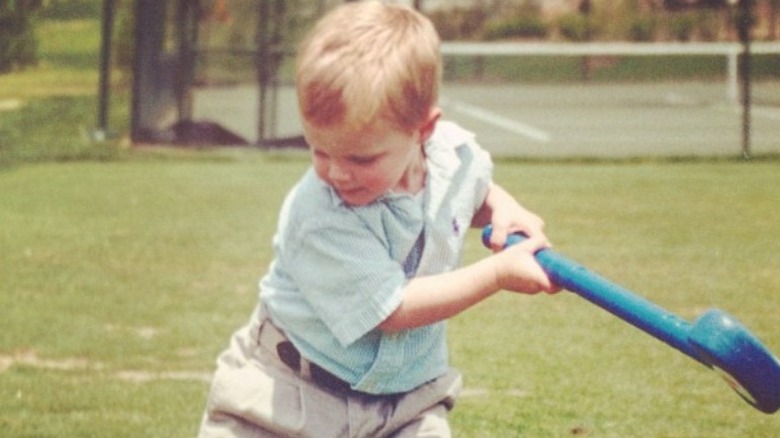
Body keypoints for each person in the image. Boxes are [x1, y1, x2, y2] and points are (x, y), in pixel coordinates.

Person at [198, 2, 557, 437]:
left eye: (360, 157)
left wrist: (503, 207)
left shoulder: (454, 155)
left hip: (405, 405)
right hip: (287, 400)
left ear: (423, 131)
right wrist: (496, 273)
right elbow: (392, 308)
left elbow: (469, 190)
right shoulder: (319, 213)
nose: (335, 172)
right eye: (319, 150)